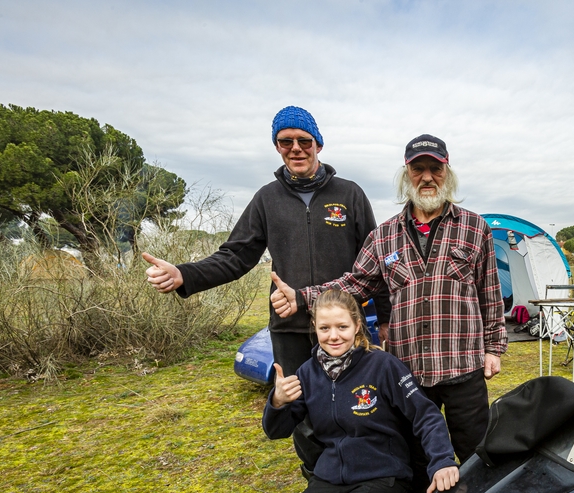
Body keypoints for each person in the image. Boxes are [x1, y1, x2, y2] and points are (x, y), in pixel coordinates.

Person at [141, 105, 389, 468]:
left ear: (319, 144)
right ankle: (319, 477)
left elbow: (376, 262)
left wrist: (384, 318)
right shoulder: (266, 199)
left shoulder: (349, 195)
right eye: (285, 141)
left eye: (304, 140)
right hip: (290, 328)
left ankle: (367, 474)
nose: (296, 148)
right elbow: (235, 256)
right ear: (276, 146)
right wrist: (184, 274)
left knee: (358, 401)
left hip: (343, 324)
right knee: (303, 409)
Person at [268, 134, 508, 463]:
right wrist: (302, 297)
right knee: (414, 455)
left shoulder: (474, 227)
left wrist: (494, 348)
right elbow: (354, 283)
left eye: (435, 169)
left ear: (447, 173)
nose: (426, 177)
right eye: (418, 169)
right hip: (407, 373)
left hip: (463, 367)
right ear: (406, 174)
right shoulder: (384, 235)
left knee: (476, 455)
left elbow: (489, 293)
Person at [250, 288, 459, 493]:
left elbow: (425, 415)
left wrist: (442, 461)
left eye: (342, 327)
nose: (333, 336)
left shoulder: (382, 366)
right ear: (315, 328)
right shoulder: (308, 373)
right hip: (330, 478)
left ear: (357, 326)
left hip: (381, 476)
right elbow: (276, 430)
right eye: (324, 328)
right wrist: (278, 401)